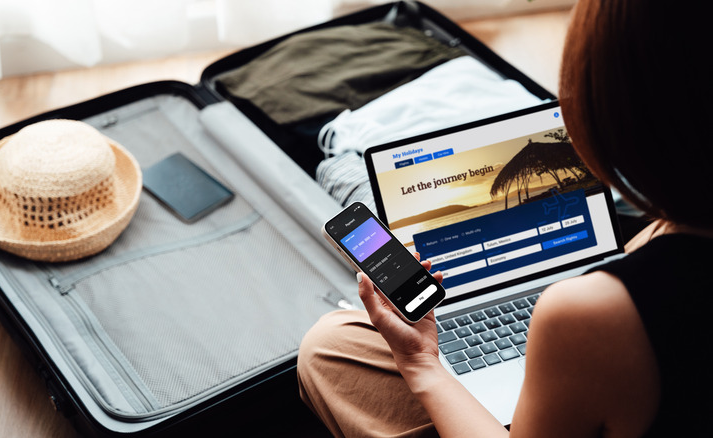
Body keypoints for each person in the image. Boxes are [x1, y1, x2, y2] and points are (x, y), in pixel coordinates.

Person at [296, 0, 713, 436]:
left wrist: (421, 365)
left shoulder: (589, 315)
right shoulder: (672, 230)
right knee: (337, 341)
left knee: (330, 351)